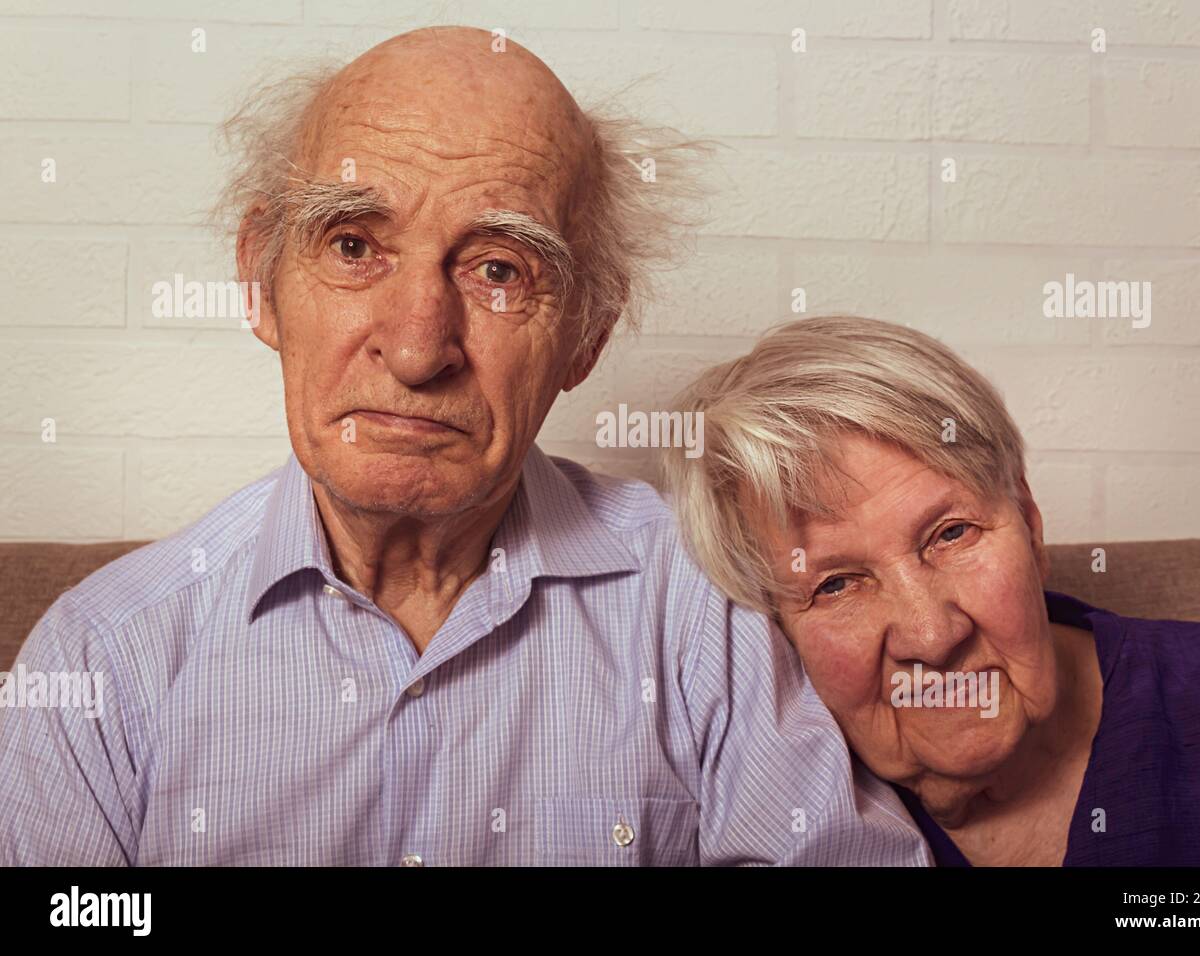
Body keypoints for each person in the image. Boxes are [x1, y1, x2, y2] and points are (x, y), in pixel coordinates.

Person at [0, 32, 927, 867]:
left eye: (497, 269)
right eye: (355, 243)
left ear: (587, 334)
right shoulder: (99, 660)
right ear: (263, 283)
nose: (415, 347)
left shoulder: (700, 607)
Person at [662, 314, 1200, 865]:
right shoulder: (764, 801)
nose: (933, 637)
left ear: (1029, 520)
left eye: (951, 535)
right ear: (773, 629)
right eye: (836, 585)